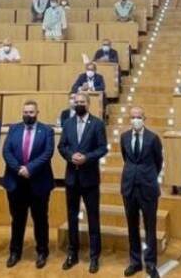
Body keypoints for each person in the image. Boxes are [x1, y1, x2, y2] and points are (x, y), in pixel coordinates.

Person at [2, 100, 55, 269]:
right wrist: (19, 168)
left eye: (31, 112)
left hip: (38, 182)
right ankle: (15, 252)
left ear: (37, 113)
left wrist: (30, 168)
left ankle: (42, 251)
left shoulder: (47, 130)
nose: (28, 115)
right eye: (25, 112)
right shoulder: (14, 129)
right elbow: (6, 151)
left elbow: (48, 153)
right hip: (16, 182)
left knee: (40, 220)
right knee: (17, 219)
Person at [59, 92, 108, 273]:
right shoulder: (68, 123)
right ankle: (73, 253)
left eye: (82, 102)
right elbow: (61, 146)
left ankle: (95, 256)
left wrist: (86, 157)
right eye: (76, 102)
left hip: (90, 179)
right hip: (72, 178)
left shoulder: (97, 123)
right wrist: (71, 156)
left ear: (88, 104)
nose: (79, 104)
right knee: (72, 218)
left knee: (93, 218)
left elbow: (103, 148)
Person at [120, 106, 163, 278]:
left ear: (144, 119)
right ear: (129, 119)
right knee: (132, 226)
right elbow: (126, 158)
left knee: (150, 227)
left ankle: (151, 263)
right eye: (133, 117)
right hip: (129, 187)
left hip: (148, 188)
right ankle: (135, 262)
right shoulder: (124, 137)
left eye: (139, 117)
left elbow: (158, 162)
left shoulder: (153, 138)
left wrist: (148, 176)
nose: (135, 120)